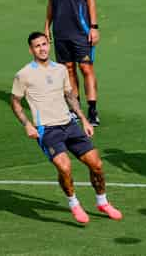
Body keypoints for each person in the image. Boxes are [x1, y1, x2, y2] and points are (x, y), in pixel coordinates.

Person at [10, 32, 122, 224]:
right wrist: (27, 124)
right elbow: (15, 102)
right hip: (47, 130)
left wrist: (84, 120)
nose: (42, 48)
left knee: (97, 164)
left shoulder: (60, 69)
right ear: (31, 50)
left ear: (49, 45)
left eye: (44, 44)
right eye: (37, 46)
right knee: (65, 167)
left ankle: (102, 202)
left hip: (69, 125)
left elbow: (70, 96)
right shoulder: (24, 74)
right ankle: (73, 203)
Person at [44, 0, 101, 126]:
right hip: (60, 33)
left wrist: (94, 27)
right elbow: (51, 3)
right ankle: (75, 109)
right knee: (68, 69)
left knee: (86, 68)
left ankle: (92, 110)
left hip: (82, 32)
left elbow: (90, 0)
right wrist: (46, 26)